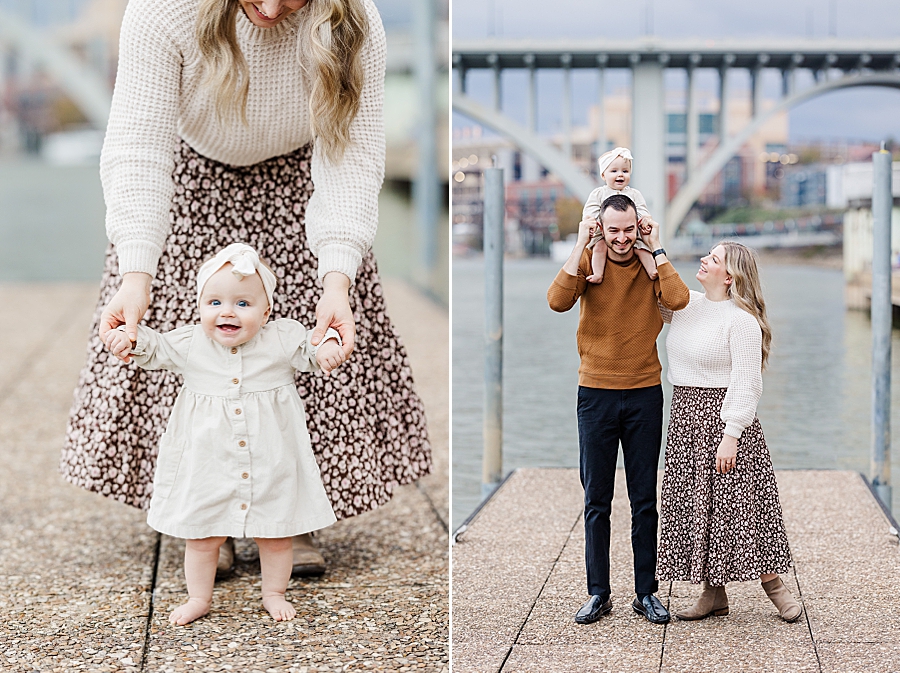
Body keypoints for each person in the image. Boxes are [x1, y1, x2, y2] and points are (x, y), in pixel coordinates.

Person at [61, 0, 431, 577]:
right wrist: (137, 273)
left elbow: (351, 152)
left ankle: (292, 517)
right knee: (191, 353)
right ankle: (203, 518)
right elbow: (140, 143)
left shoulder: (356, 19)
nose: (273, 8)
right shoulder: (164, 11)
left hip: (297, 176)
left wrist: (337, 276)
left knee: (302, 348)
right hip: (190, 173)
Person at [104, 244, 342, 624]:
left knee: (276, 532)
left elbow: (310, 350)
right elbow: (154, 349)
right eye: (214, 302)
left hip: (271, 457)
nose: (227, 311)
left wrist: (328, 345)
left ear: (266, 313)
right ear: (199, 308)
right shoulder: (190, 342)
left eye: (243, 304)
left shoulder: (281, 338)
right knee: (201, 535)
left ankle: (274, 592)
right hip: (207, 459)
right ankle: (199, 597)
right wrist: (129, 340)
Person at [547, 193, 690, 625]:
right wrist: (581, 244)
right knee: (597, 499)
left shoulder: (650, 268)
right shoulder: (590, 267)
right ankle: (598, 593)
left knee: (645, 499)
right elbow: (556, 301)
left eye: (629, 229)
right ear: (601, 228)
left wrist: (657, 248)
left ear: (638, 226)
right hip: (595, 394)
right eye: (614, 230)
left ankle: (646, 592)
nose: (622, 238)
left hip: (645, 392)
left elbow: (680, 299)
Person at [656, 242, 802, 623]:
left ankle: (775, 588)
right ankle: (713, 594)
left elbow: (747, 382)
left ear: (729, 275)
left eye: (714, 259)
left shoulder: (741, 321)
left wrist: (731, 433)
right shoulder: (685, 304)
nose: (704, 260)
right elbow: (649, 289)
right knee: (700, 508)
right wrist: (646, 243)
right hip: (686, 417)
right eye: (707, 254)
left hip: (725, 420)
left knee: (742, 509)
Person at [582, 147, 658, 284]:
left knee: (642, 248)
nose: (620, 175)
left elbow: (641, 209)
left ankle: (652, 270)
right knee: (599, 248)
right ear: (603, 175)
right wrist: (591, 221)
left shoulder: (634, 194)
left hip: (630, 232)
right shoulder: (598, 194)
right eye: (614, 171)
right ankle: (598, 273)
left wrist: (646, 221)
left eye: (625, 171)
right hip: (603, 232)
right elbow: (590, 210)